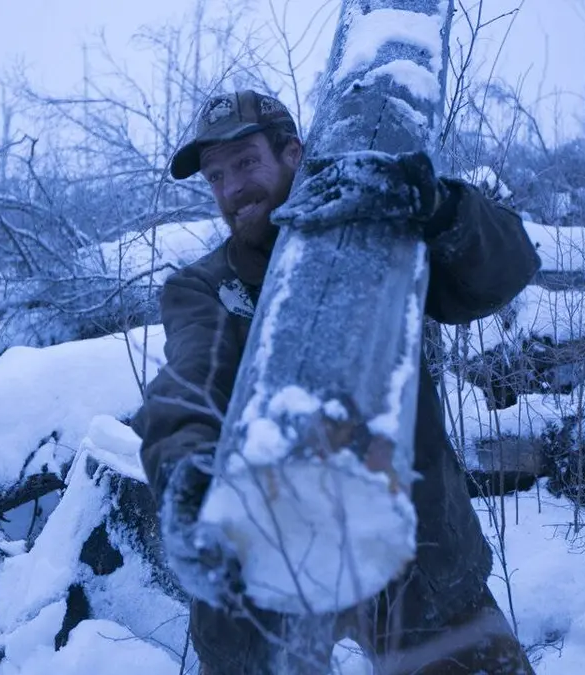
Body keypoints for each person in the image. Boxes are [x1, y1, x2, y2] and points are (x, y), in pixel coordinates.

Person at [131, 89, 541, 674]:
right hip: (266, 560)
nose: (232, 190)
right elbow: (189, 382)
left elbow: (511, 266)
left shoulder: (381, 232)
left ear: (293, 154)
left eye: (246, 163)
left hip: (414, 544)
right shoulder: (206, 286)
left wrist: (439, 205)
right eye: (216, 176)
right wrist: (182, 469)